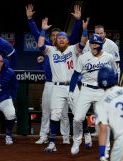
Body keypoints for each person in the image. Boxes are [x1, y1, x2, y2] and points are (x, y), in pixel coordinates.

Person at [25, 4, 84, 144]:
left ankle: (65, 137)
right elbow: (35, 35)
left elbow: (75, 35)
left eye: (58, 36)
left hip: (64, 84)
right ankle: (43, 136)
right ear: (51, 38)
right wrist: (30, 19)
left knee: (63, 114)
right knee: (46, 111)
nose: (55, 37)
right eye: (53, 35)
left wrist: (77, 21)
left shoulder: (68, 48)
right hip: (50, 83)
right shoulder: (48, 47)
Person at [37, 17, 87, 152]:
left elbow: (83, 42)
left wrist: (85, 29)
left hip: (72, 86)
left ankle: (82, 137)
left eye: (63, 38)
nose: (60, 39)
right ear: (55, 40)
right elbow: (40, 44)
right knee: (55, 115)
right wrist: (42, 30)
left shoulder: (73, 49)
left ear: (67, 40)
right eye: (58, 38)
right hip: (57, 87)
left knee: (78, 115)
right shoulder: (50, 50)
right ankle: (52, 143)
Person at [69, 34, 117, 155]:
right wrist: (71, 90)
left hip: (102, 91)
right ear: (89, 45)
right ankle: (77, 141)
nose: (94, 46)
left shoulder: (109, 57)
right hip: (86, 90)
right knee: (77, 118)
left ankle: (105, 149)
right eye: (92, 44)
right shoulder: (83, 58)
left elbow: (114, 74)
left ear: (101, 45)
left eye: (97, 44)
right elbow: (75, 75)